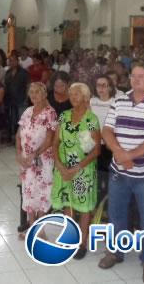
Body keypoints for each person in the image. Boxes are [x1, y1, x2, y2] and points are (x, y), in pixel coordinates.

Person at [99, 62, 144, 284]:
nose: (136, 79)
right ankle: (115, 251)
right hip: (119, 171)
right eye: (133, 76)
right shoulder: (120, 99)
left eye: (142, 76)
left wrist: (129, 157)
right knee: (116, 214)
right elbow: (107, 130)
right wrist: (120, 153)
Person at [51, 82, 100, 260]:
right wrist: (60, 165)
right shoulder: (63, 116)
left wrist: (76, 168)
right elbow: (55, 143)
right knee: (67, 203)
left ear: (86, 97)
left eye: (77, 94)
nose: (73, 97)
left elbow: (96, 150)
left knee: (83, 206)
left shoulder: (91, 119)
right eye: (71, 94)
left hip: (82, 170)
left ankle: (82, 242)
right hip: (63, 169)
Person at [16, 82, 58, 236]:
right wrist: (19, 153)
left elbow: (49, 140)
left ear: (44, 94)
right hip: (26, 161)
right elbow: (18, 134)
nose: (33, 95)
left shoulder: (50, 113)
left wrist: (34, 155)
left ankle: (40, 230)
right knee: (28, 191)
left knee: (42, 192)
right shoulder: (27, 111)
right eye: (31, 92)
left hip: (42, 159)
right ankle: (32, 226)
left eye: (37, 92)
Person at [4, 54, 30, 143]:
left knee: (22, 121)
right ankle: (14, 138)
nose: (11, 62)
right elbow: (6, 85)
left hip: (21, 99)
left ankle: (24, 139)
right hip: (10, 100)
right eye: (10, 60)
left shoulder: (23, 72)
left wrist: (27, 98)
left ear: (17, 61)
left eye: (13, 60)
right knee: (13, 120)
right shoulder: (8, 72)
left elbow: (28, 86)